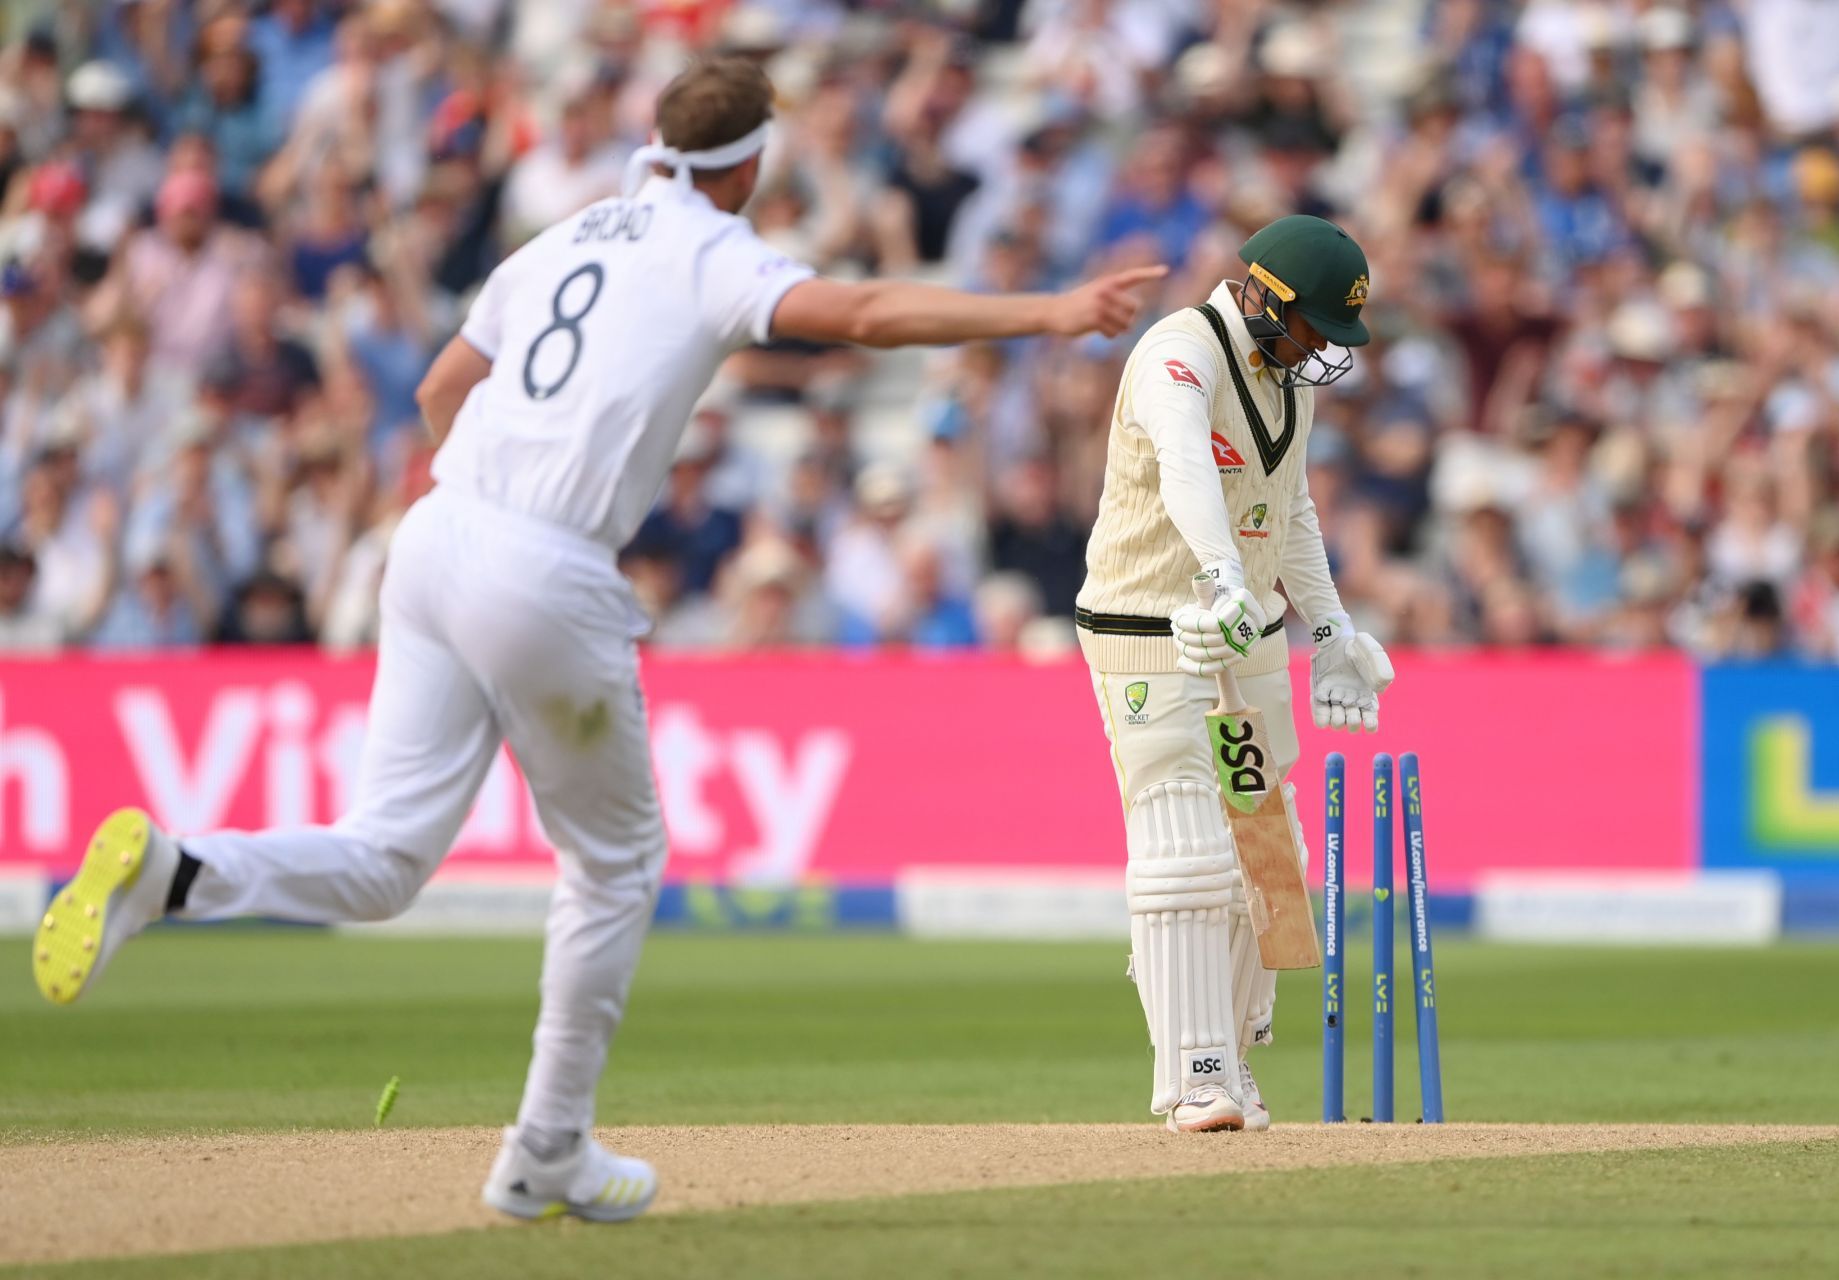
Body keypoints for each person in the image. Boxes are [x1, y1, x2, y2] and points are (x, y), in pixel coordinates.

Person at [30, 57, 1162, 1222]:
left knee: (382, 856)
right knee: (615, 865)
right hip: (542, 563)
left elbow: (435, 390)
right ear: (753, 162)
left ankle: (177, 870)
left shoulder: (568, 233)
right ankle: (546, 1148)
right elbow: (864, 314)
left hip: (436, 534)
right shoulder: (711, 250)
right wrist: (1052, 311)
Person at [1075, 214, 1395, 1134]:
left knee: (1270, 854)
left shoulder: (1288, 380)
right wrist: (1216, 581)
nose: (1323, 352)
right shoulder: (1180, 351)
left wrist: (1331, 629)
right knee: (1188, 851)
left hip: (1247, 633)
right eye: (1315, 330)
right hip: (1151, 626)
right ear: (1263, 295)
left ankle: (1238, 1062)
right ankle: (1194, 1078)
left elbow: (1289, 511)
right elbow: (1186, 468)